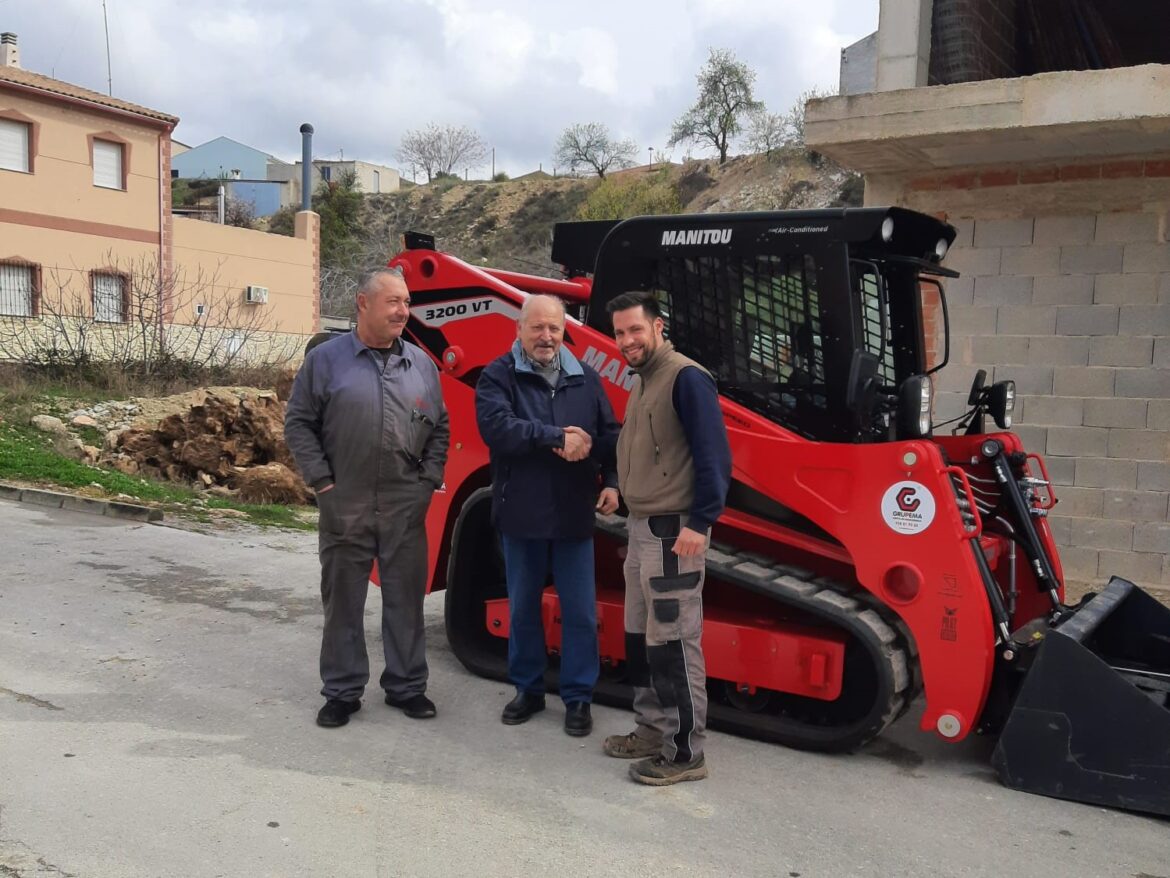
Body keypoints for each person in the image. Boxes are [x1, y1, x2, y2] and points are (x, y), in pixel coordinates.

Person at [285, 266, 450, 729]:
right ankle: (341, 691)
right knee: (343, 600)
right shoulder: (326, 360)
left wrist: (427, 482)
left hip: (404, 501)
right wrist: (323, 483)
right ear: (362, 303)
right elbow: (298, 423)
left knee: (406, 599)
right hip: (346, 499)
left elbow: (439, 427)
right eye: (393, 302)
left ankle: (407, 687)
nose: (404, 311)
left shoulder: (420, 364)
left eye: (406, 302)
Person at [475, 294, 620, 737]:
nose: (546, 336)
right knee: (523, 610)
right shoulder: (499, 376)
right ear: (519, 330)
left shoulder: (585, 380)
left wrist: (612, 480)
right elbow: (497, 429)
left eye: (554, 328)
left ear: (563, 331)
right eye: (537, 327)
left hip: (574, 515)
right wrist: (554, 437)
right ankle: (528, 690)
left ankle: (578, 699)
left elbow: (609, 435)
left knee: (578, 613)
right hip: (522, 515)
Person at [603, 290, 731, 785]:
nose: (627, 340)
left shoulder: (686, 378)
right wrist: (619, 489)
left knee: (674, 641)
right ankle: (652, 730)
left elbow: (714, 456)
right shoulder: (643, 380)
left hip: (673, 533)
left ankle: (685, 753)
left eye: (635, 329)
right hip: (641, 529)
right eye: (619, 333)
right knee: (642, 636)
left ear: (659, 327)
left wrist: (700, 522)